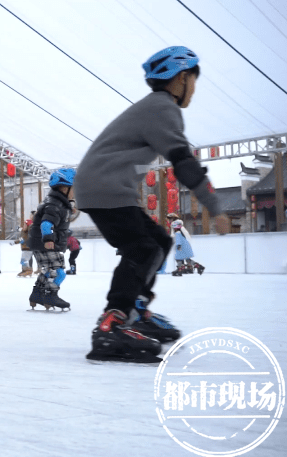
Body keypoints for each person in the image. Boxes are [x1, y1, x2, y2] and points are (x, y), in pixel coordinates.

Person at [74, 46, 230, 363]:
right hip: (105, 188)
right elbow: (183, 161)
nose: (194, 90)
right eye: (194, 81)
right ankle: (112, 324)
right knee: (141, 249)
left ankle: (136, 310)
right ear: (182, 78)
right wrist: (215, 207)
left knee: (159, 240)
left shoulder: (154, 107)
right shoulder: (162, 109)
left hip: (103, 185)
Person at [27, 168, 75, 311]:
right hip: (46, 243)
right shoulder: (55, 204)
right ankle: (50, 295)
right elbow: (46, 223)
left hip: (39, 242)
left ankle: (37, 294)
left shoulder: (56, 202)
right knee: (58, 272)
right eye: (74, 188)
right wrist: (48, 239)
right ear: (65, 188)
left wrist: (70, 207)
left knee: (47, 271)